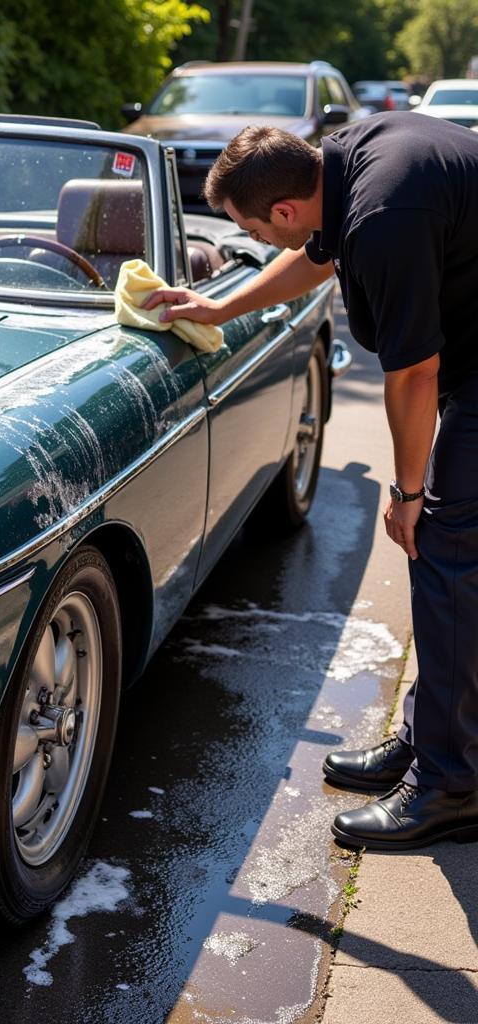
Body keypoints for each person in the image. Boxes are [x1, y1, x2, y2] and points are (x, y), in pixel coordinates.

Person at [142, 111, 478, 850]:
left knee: (447, 554)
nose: (257, 243)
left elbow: (415, 373)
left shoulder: (384, 214)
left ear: (284, 207)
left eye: (256, 231)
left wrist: (409, 494)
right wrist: (221, 307)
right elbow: (315, 255)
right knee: (452, 564)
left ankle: (453, 786)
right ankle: (434, 739)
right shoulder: (344, 165)